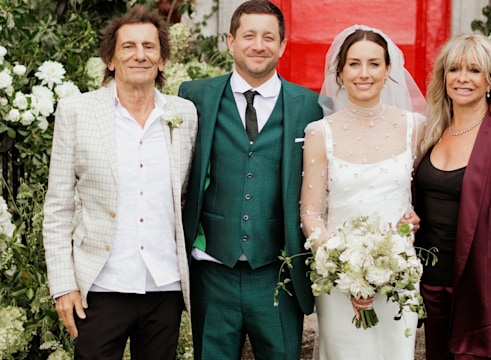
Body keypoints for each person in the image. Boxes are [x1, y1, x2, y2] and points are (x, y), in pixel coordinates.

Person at [42, 4, 197, 359]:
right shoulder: (77, 112)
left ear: (161, 60)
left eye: (149, 47)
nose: (139, 55)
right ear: (110, 59)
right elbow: (58, 208)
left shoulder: (183, 115)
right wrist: (63, 284)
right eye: (128, 46)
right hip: (100, 285)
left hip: (165, 287)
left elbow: (188, 195)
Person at [177, 1, 324, 359]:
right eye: (249, 36)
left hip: (277, 273)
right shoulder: (194, 97)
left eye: (268, 37)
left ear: (282, 46)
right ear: (230, 41)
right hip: (213, 269)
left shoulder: (309, 105)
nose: (259, 45)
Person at [299, 25, 428, 360]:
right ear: (340, 72)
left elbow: (426, 192)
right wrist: (342, 271)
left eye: (374, 63)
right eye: (354, 64)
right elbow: (310, 213)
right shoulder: (319, 133)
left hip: (398, 273)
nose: (364, 73)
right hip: (339, 282)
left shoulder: (415, 127)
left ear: (389, 70)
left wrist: (415, 218)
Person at [413, 33, 491, 359]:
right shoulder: (432, 133)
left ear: (490, 81)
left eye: (474, 70)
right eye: (454, 69)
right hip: (431, 287)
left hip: (479, 294)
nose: (463, 78)